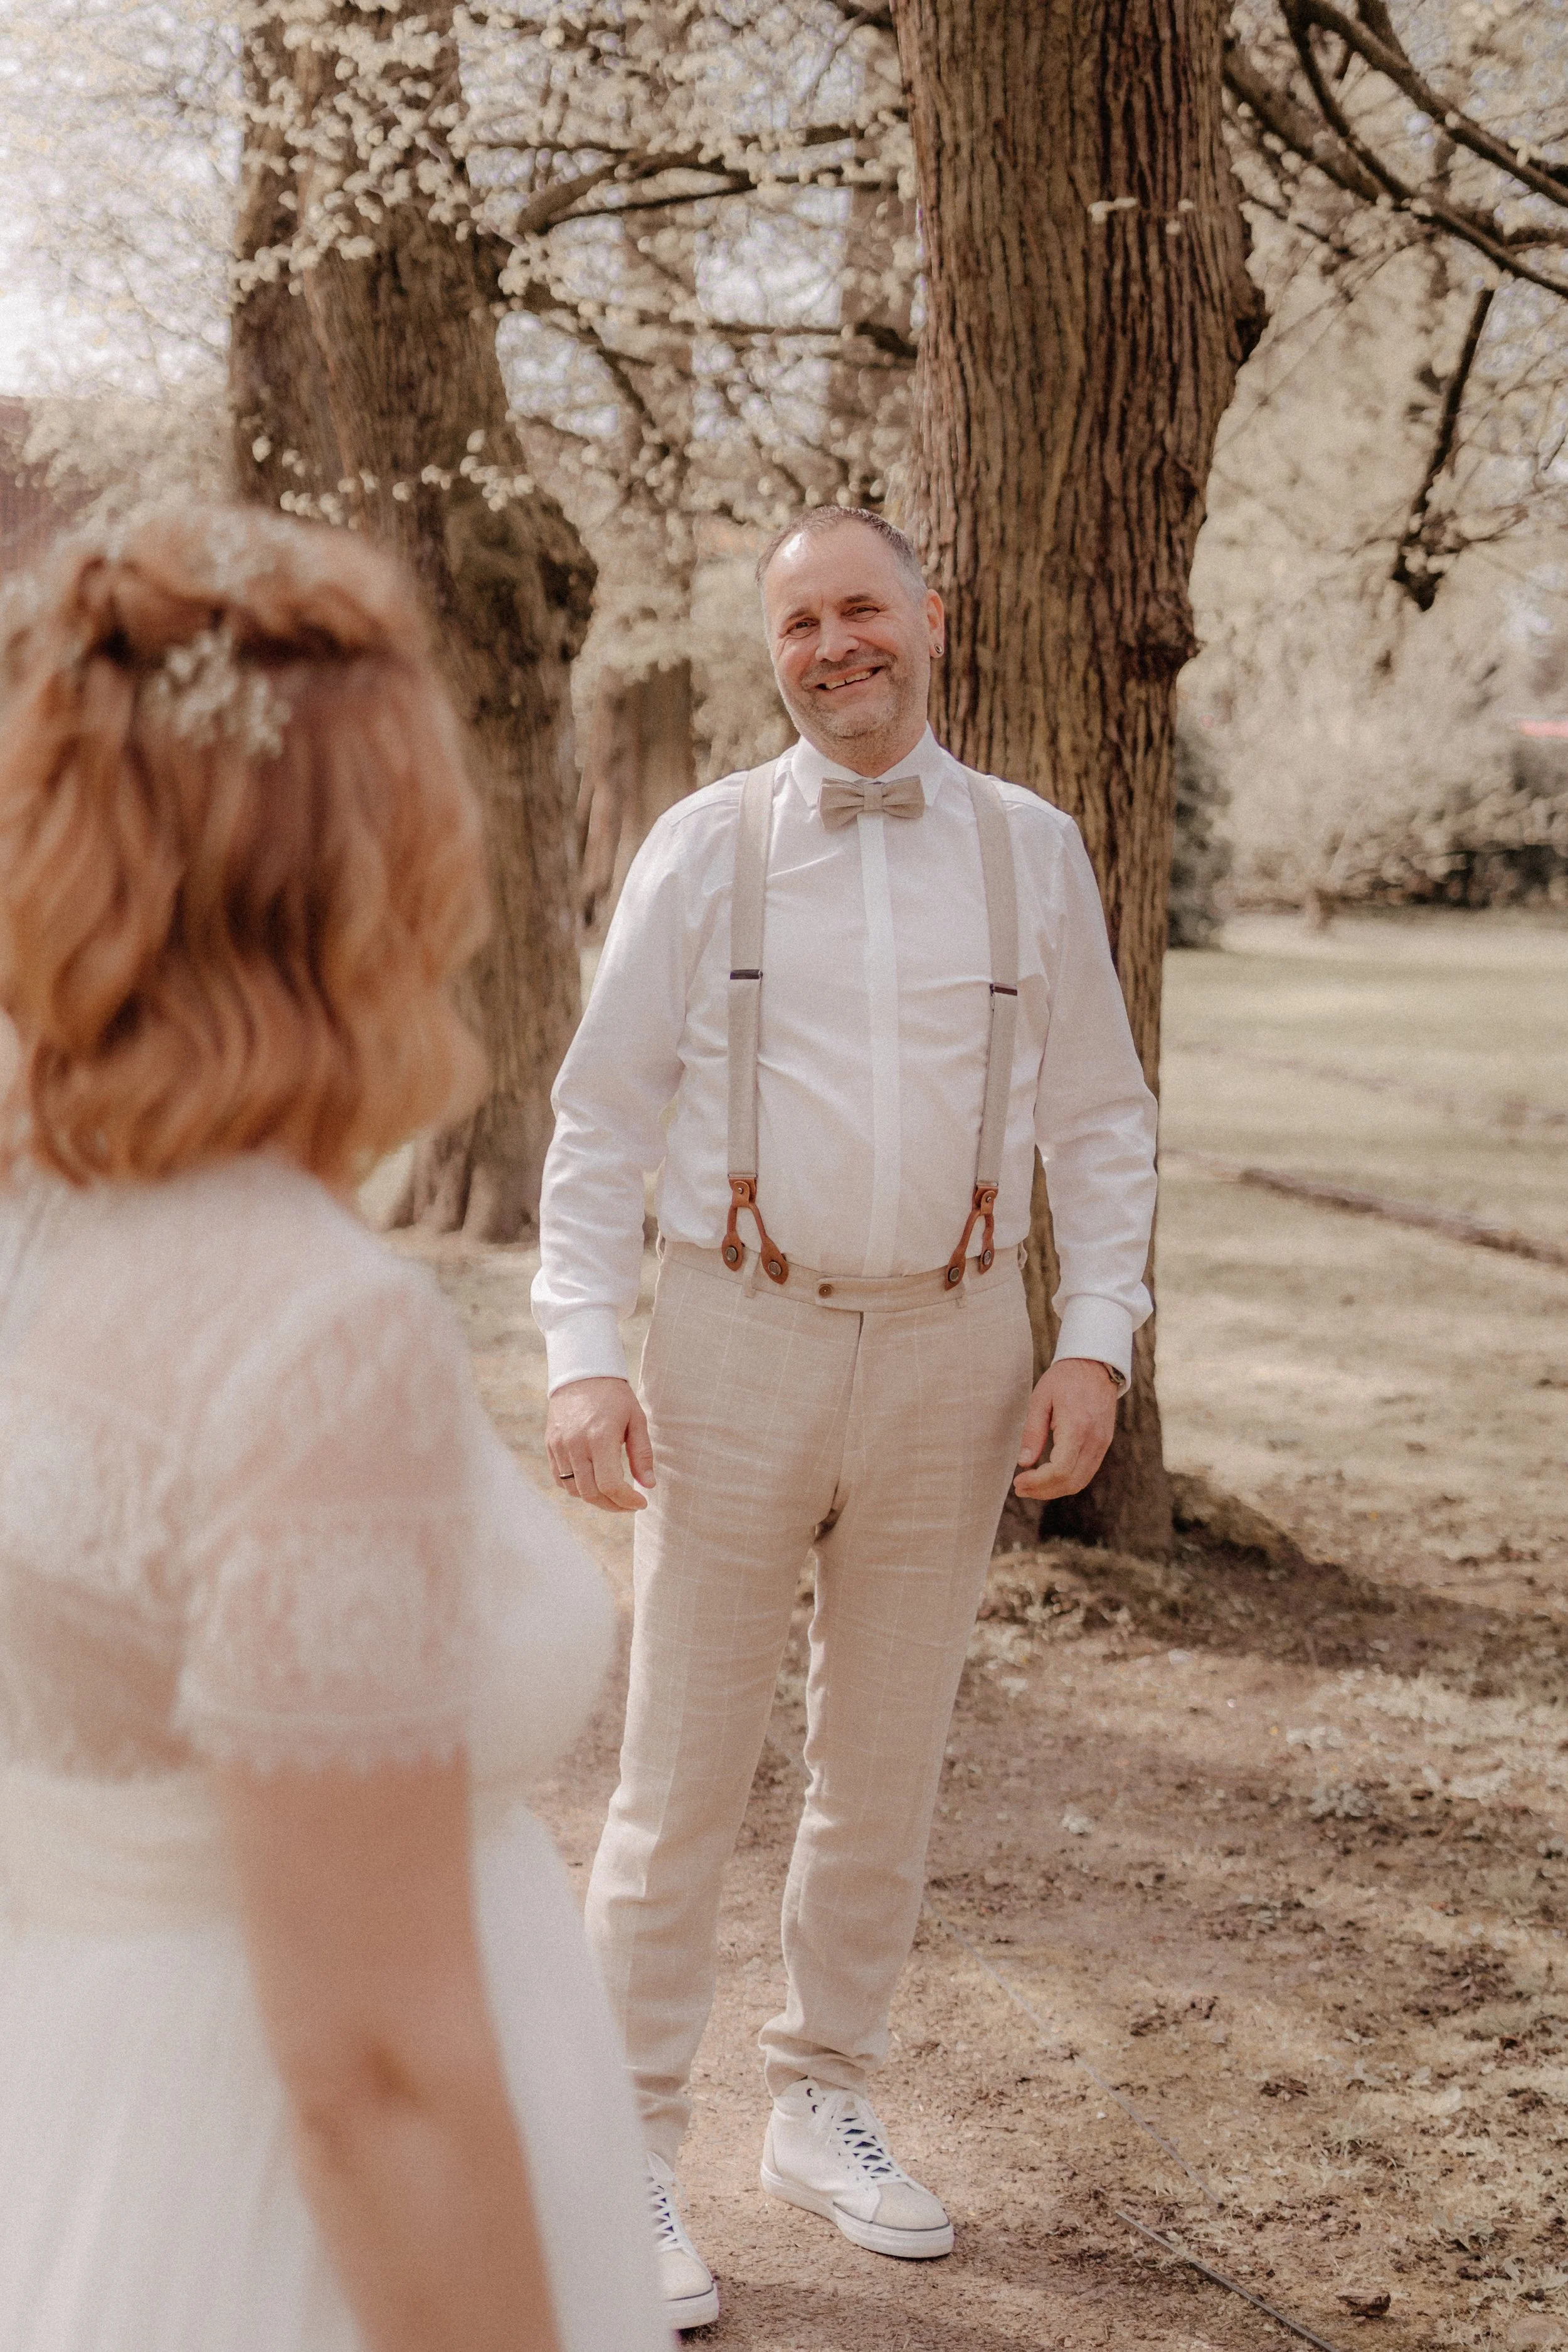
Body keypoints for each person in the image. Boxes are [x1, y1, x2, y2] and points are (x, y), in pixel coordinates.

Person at [0, 507, 672, 2352]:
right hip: (272, 2237)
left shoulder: (38, 1212)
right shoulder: (311, 1334)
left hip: (67, 2122)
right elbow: (373, 2072)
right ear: (380, 873)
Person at [533, 504, 1159, 2328]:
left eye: (860, 608)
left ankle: (820, 2095)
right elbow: (597, 1120)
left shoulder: (1031, 849)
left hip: (964, 1343)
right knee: (675, 1777)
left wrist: (1093, 1339)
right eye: (798, 621)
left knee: (883, 1756)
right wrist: (583, 1346)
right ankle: (626, 2147)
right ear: (774, 649)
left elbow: (1099, 1123)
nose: (832, 646)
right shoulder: (705, 845)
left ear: (930, 619)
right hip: (730, 1341)